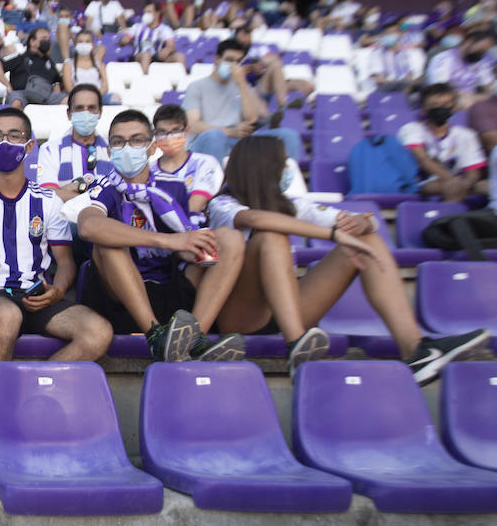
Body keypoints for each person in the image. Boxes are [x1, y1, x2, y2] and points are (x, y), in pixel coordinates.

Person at [209, 135, 490, 382]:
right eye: (282, 163)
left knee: (365, 241)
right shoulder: (222, 203)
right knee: (270, 235)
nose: (286, 169)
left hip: (288, 309)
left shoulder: (290, 204)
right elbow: (255, 218)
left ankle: (416, 349)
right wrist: (331, 234)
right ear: (263, 168)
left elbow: (348, 220)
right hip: (242, 316)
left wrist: (363, 223)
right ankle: (297, 344)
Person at [0, 107, 112, 390]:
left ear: (30, 146)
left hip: (34, 298)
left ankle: (30, 393)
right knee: (7, 315)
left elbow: (65, 263)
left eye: (14, 135)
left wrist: (57, 291)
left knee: (98, 332)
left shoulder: (48, 201)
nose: (5, 141)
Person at [76, 109, 247, 361]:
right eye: (118, 142)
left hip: (169, 287)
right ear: (110, 151)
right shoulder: (105, 186)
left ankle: (194, 338)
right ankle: (156, 337)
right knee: (107, 243)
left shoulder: (173, 186)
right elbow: (88, 226)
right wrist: (169, 240)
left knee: (228, 239)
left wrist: (189, 245)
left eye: (136, 140)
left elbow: (187, 238)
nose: (127, 147)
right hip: (122, 297)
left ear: (152, 147)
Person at [185, 39, 304, 162]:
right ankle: (218, 180)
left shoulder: (242, 86)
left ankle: (286, 180)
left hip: (237, 141)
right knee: (215, 136)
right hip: (207, 141)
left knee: (288, 136)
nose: (233, 66)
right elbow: (193, 125)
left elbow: (251, 119)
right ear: (216, 59)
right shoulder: (197, 87)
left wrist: (242, 84)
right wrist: (229, 132)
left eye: (237, 61)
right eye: (229, 60)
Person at [399, 83, 486, 202]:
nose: (440, 108)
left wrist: (467, 183)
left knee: (486, 186)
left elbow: (473, 171)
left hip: (459, 182)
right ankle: (448, 218)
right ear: (424, 109)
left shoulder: (466, 135)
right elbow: (422, 159)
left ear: (454, 107)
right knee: (450, 186)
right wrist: (452, 180)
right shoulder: (412, 129)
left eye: (446, 105)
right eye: (434, 105)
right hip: (421, 182)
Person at [35, 84, 110, 200]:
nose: (86, 114)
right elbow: (47, 196)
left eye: (91, 108)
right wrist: (98, 198)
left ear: (100, 112)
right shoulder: (50, 149)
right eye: (79, 108)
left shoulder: (112, 150)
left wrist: (65, 192)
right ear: (69, 114)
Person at [149, 104, 222, 222]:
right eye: (162, 132)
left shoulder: (205, 163)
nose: (169, 137)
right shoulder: (149, 171)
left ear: (186, 131)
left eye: (175, 130)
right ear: (155, 134)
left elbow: (195, 206)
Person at [426, 26, 495, 107]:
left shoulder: (480, 62)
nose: (482, 54)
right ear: (469, 42)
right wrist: (475, 98)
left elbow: (489, 89)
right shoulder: (444, 59)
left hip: (473, 101)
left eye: (484, 51)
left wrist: (479, 98)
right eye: (480, 50)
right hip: (446, 103)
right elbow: (440, 91)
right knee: (463, 102)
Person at [1, 28, 64, 108]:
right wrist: (7, 85)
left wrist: (56, 87)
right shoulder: (20, 57)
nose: (47, 42)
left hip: (45, 95)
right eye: (44, 39)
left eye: (48, 39)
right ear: (32, 41)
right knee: (16, 102)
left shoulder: (49, 62)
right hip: (21, 93)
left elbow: (57, 81)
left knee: (66, 100)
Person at [119, 4, 183, 74]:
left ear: (157, 14)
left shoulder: (165, 29)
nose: (146, 14)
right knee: (146, 55)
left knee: (179, 56)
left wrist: (168, 50)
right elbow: (124, 40)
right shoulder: (137, 27)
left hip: (157, 56)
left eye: (149, 12)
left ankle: (181, 81)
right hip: (140, 55)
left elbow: (172, 46)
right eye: (145, 12)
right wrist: (123, 40)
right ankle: (144, 79)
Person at [61, 29, 114, 103]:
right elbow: (69, 88)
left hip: (98, 97)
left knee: (115, 98)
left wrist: (95, 96)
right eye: (80, 42)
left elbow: (105, 86)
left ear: (92, 45)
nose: (84, 44)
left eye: (87, 41)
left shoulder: (100, 65)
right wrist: (83, 97)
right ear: (75, 44)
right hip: (76, 98)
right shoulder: (68, 65)